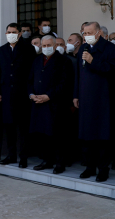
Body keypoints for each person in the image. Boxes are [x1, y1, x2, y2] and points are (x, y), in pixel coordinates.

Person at [74, 22, 115, 182]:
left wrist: (94, 61)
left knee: (102, 136)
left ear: (99, 32)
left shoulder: (110, 48)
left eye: (89, 32)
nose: (86, 35)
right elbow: (78, 74)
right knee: (87, 136)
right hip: (85, 98)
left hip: (103, 99)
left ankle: (103, 169)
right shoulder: (83, 48)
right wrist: (75, 95)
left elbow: (112, 69)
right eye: (84, 33)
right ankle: (89, 167)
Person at [28, 35, 73, 174]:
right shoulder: (36, 60)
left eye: (49, 45)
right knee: (42, 134)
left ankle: (60, 162)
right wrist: (31, 94)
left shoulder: (64, 61)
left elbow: (65, 83)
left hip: (55, 104)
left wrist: (48, 96)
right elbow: (30, 80)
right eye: (44, 45)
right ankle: (46, 160)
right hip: (38, 103)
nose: (46, 48)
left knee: (58, 134)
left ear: (55, 46)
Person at [0, 23, 36, 168]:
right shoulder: (1, 50)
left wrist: (31, 91)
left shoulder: (28, 48)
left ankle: (23, 156)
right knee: (9, 126)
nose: (10, 34)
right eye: (8, 32)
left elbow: (32, 72)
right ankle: (11, 156)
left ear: (19, 34)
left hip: (22, 94)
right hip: (6, 94)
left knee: (23, 128)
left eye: (13, 32)